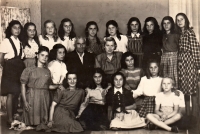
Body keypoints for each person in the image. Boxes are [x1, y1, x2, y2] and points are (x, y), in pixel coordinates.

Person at [20, 46, 52, 128]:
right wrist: (25, 101)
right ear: (37, 55)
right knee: (30, 123)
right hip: (32, 96)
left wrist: (59, 86)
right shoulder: (28, 70)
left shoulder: (47, 71)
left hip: (44, 98)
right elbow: (23, 85)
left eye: (46, 56)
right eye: (42, 55)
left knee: (42, 124)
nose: (44, 58)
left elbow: (49, 86)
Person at [176, 13, 200, 119]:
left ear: (186, 20)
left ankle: (194, 115)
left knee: (192, 89)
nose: (180, 21)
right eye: (178, 20)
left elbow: (196, 50)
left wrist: (197, 66)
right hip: (182, 64)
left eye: (182, 19)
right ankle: (188, 114)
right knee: (185, 89)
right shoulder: (180, 34)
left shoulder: (190, 32)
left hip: (190, 63)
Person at [0, 20, 25, 125]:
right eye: (15, 27)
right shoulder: (6, 41)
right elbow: (1, 57)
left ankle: (14, 114)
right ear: (10, 29)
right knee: (10, 93)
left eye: (19, 28)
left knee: (16, 93)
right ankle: (9, 118)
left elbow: (21, 57)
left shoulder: (19, 42)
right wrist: (6, 66)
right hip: (10, 69)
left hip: (18, 68)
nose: (17, 30)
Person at [160, 16, 179, 88]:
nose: (166, 25)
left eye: (168, 23)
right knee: (165, 76)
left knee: (173, 76)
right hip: (164, 57)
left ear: (172, 24)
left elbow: (179, 47)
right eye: (164, 23)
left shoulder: (176, 35)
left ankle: (174, 92)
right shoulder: (163, 35)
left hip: (173, 58)